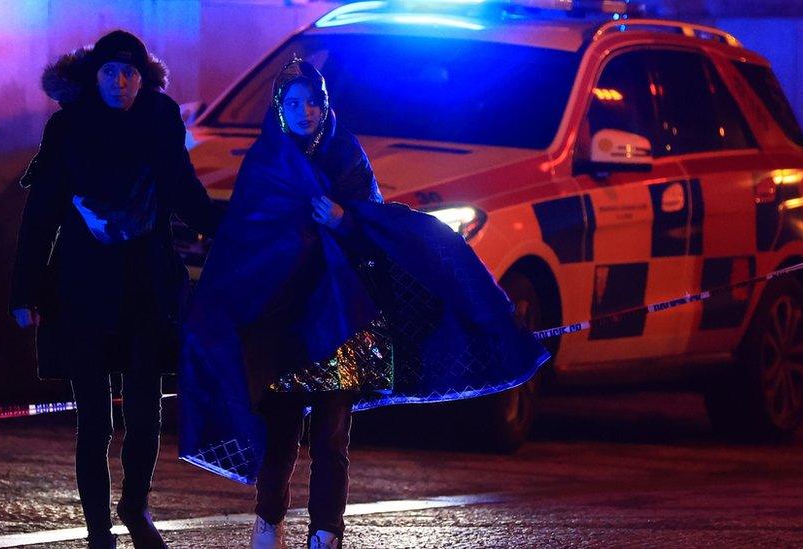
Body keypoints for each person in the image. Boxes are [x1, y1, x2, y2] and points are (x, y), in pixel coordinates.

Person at [178, 58, 550, 549]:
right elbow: (244, 244)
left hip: (342, 317)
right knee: (282, 430)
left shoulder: (347, 155)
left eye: (312, 100)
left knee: (332, 435)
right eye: (293, 102)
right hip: (282, 322)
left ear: (324, 103)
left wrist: (344, 220)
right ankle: (268, 522)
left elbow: (375, 232)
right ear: (279, 108)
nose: (304, 110)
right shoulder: (265, 164)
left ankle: (327, 531)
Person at [9, 30, 223, 549]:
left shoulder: (159, 120)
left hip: (145, 284)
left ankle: (135, 506)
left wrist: (234, 226)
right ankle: (98, 529)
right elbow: (41, 216)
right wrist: (25, 290)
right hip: (82, 288)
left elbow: (184, 191)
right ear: (94, 75)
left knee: (147, 410)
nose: (120, 81)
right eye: (110, 71)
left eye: (130, 73)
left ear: (142, 78)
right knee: (94, 420)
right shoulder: (69, 128)